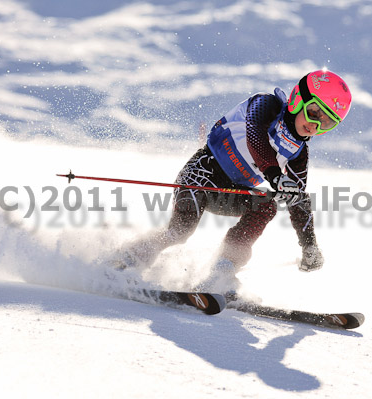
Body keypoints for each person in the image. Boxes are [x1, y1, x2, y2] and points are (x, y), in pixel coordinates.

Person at [119, 70, 352, 293]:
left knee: (266, 205)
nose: (315, 125)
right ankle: (127, 259)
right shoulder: (265, 105)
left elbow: (297, 197)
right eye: (314, 113)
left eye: (327, 123)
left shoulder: (298, 152)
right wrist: (274, 175)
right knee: (180, 231)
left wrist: (309, 244)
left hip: (230, 191)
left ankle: (222, 273)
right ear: (298, 100)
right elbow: (256, 138)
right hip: (201, 174)